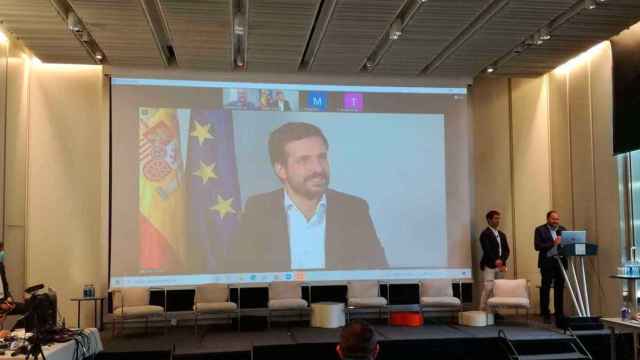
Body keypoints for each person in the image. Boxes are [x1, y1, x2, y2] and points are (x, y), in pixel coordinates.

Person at [229, 122, 387, 272]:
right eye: (304, 160)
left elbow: (377, 275)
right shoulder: (258, 209)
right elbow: (241, 275)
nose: (318, 168)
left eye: (322, 157)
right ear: (281, 169)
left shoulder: (354, 209)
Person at [534, 210, 567, 325]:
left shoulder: (563, 230)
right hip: (546, 263)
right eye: (553, 219)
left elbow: (567, 244)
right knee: (545, 288)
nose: (555, 221)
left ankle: (559, 314)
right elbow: (537, 246)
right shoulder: (540, 230)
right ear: (548, 219)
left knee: (559, 289)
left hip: (560, 263)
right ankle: (546, 314)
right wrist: (553, 243)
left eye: (557, 219)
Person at [479, 210, 510, 311]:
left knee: (498, 289)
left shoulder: (502, 234)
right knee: (488, 287)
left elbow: (506, 250)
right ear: (489, 220)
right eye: (496, 218)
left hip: (501, 265)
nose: (498, 220)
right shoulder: (485, 234)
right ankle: (482, 309)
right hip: (489, 265)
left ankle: (494, 311)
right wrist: (495, 260)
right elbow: (487, 249)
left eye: (499, 218)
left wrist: (502, 260)